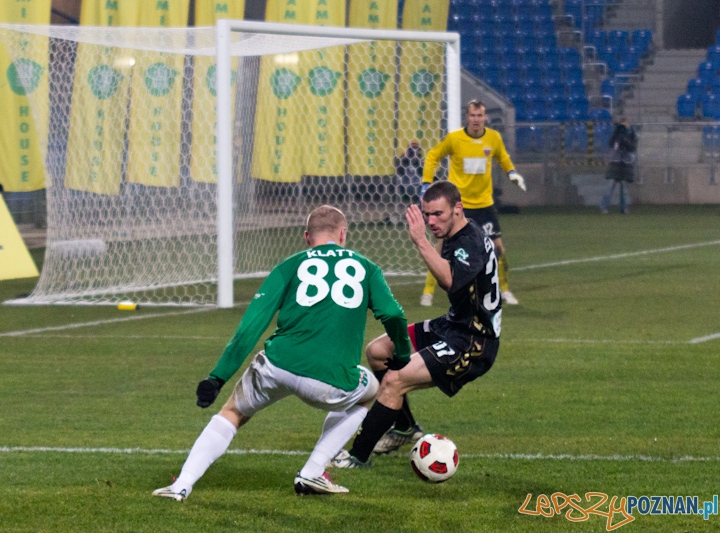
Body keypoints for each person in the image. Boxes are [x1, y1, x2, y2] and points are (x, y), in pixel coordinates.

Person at [152, 205, 412, 501]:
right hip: (330, 380)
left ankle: (181, 485)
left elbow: (250, 326)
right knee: (369, 390)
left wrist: (217, 377)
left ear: (306, 237)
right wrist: (402, 353)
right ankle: (313, 472)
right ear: (343, 235)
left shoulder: (289, 266)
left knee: (233, 412)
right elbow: (392, 313)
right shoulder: (366, 267)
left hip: (277, 366)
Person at [331, 181, 501, 466]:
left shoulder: (469, 241)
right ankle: (405, 427)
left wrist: (421, 240)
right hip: (452, 325)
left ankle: (357, 456)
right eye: (427, 215)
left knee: (395, 381)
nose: (431, 221)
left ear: (458, 209)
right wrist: (432, 238)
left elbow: (448, 281)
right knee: (378, 352)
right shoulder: (456, 232)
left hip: (473, 341)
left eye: (438, 214)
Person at [419, 100, 524, 307]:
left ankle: (504, 290)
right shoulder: (455, 139)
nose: (476, 119)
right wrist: (426, 183)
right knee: (441, 248)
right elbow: (433, 156)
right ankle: (428, 292)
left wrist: (511, 172)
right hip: (459, 205)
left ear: (485, 117)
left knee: (497, 248)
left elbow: (502, 157)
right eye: (473, 115)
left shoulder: (493, 138)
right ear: (467, 117)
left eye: (480, 115)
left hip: (484, 204)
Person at [600, 117, 637, 214]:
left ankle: (624, 208)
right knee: (610, 188)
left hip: (624, 163)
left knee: (623, 189)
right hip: (616, 163)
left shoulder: (631, 135)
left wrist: (625, 141)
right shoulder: (616, 135)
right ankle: (604, 207)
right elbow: (613, 145)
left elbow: (631, 147)